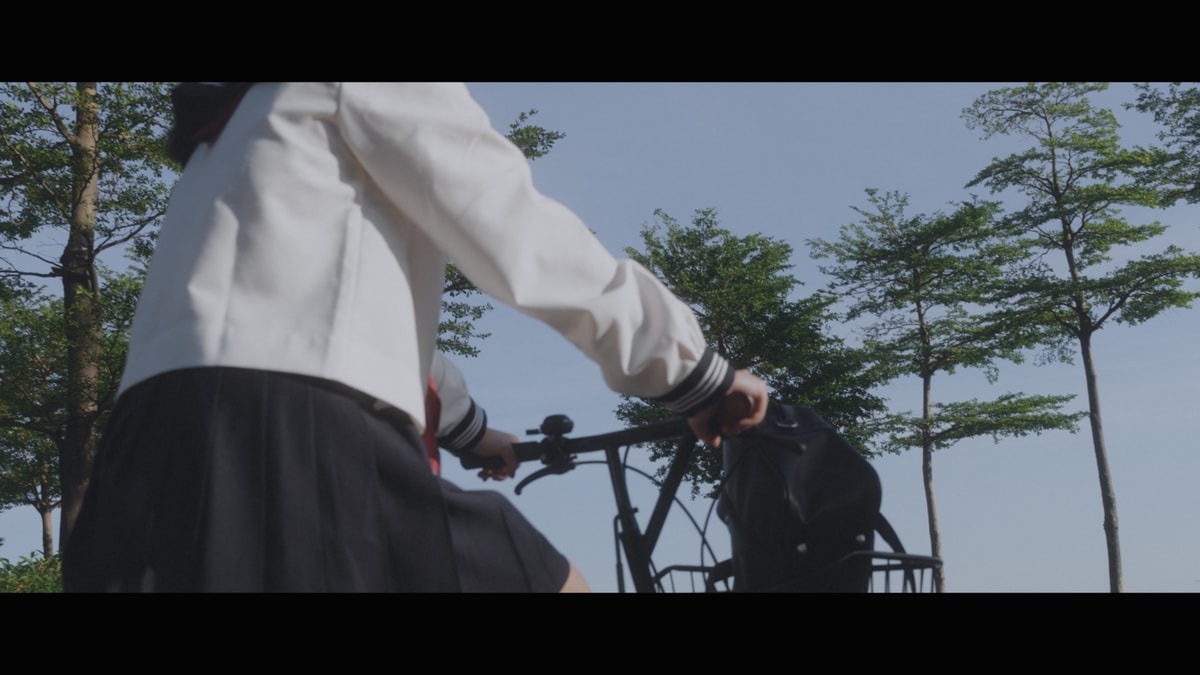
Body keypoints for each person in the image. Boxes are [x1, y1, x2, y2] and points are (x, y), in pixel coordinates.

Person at [62, 82, 769, 593]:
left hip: (150, 444)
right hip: (292, 436)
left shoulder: (238, 122)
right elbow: (510, 223)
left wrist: (464, 426)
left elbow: (300, 311)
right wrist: (689, 371)